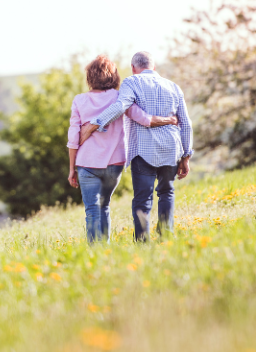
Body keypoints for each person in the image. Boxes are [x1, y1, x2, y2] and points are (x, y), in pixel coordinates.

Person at [80, 51, 193, 242]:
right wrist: (186, 155)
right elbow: (186, 123)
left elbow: (120, 106)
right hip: (171, 148)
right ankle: (166, 235)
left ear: (133, 68)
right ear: (154, 67)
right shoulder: (174, 87)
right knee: (167, 192)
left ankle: (142, 241)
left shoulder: (131, 82)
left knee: (143, 199)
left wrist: (94, 124)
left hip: (143, 150)